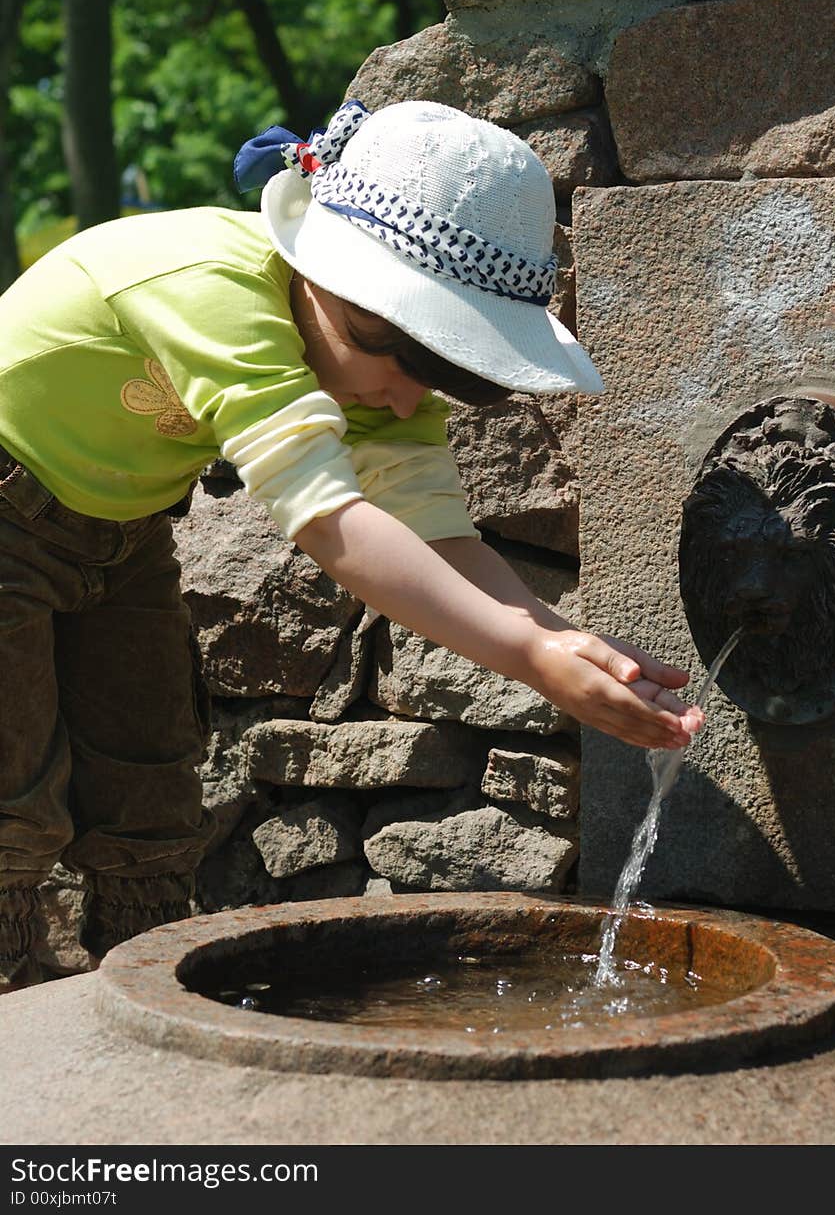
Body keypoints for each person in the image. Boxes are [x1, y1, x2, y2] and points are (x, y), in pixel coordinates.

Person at [0, 99, 703, 990]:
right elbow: (336, 525)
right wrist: (526, 655)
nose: (409, 403)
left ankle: (134, 995)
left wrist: (561, 640)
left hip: (123, 534)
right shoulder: (213, 292)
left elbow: (438, 534)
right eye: (412, 366)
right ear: (341, 291)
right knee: (10, 793)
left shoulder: (376, 364)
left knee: (149, 782)